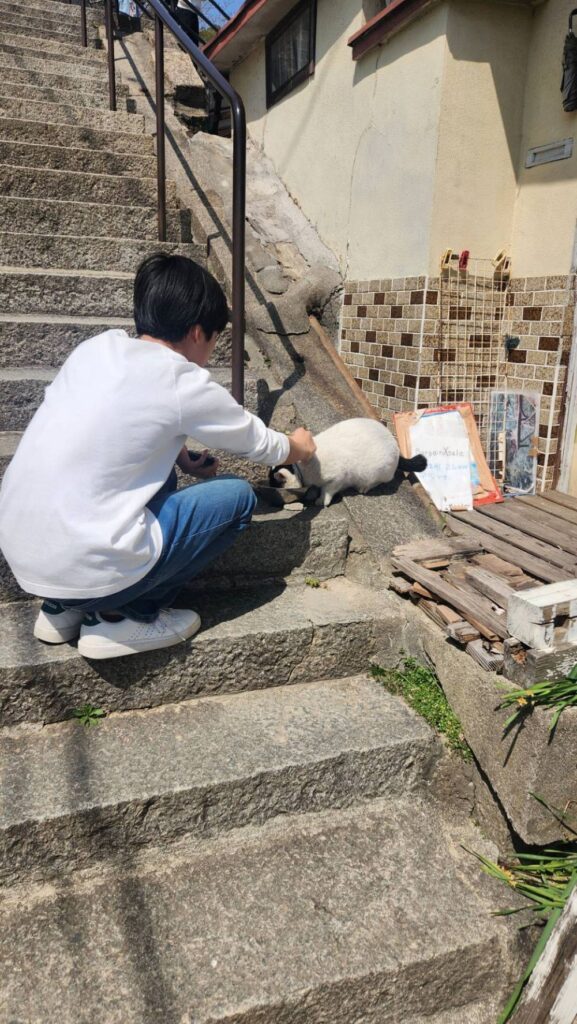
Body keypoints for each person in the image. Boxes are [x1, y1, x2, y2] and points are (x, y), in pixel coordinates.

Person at [0, 254, 316, 660]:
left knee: (153, 474)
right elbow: (262, 444)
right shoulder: (182, 379)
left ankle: (61, 610)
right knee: (237, 497)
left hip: (26, 557)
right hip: (85, 562)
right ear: (199, 332)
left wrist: (181, 456)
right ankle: (121, 617)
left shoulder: (97, 349)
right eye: (217, 338)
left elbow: (114, 426)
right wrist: (301, 446)